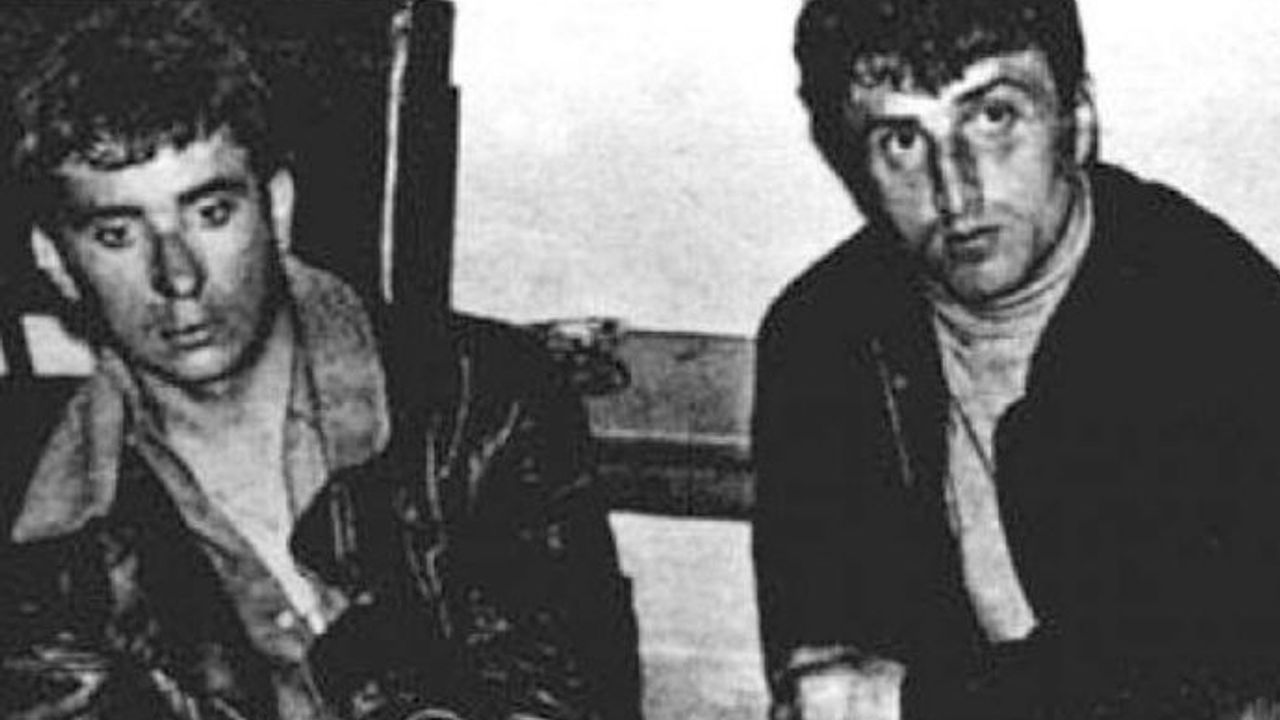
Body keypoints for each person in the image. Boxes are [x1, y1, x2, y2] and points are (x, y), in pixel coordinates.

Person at [0, 2, 640, 718]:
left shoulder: (480, 400)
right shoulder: (37, 532)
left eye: (211, 213)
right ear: (54, 261)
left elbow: (569, 691)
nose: (176, 276)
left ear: (276, 209)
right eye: (117, 234)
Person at [752, 0, 1280, 718]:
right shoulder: (822, 337)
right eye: (901, 140)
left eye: (995, 117)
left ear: (1077, 119)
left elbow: (1214, 680)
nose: (955, 191)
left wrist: (916, 701)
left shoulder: (1213, 312)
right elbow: (825, 675)